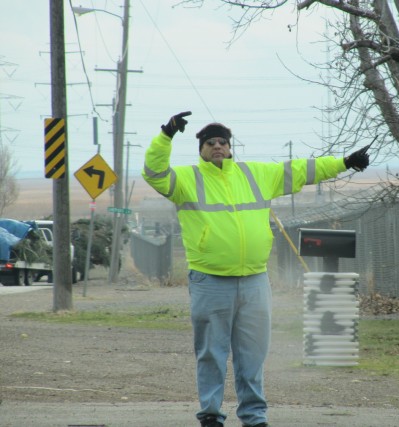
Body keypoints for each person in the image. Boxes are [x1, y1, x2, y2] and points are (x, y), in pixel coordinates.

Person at [142, 111, 370, 427]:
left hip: (254, 280)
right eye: (210, 142)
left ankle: (254, 415)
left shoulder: (256, 174)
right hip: (210, 280)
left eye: (223, 141)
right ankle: (210, 414)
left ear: (231, 147)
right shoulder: (185, 180)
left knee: (252, 354)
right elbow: (153, 172)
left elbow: (304, 170)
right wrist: (165, 135)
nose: (217, 146)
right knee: (211, 353)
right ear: (201, 149)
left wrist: (345, 162)